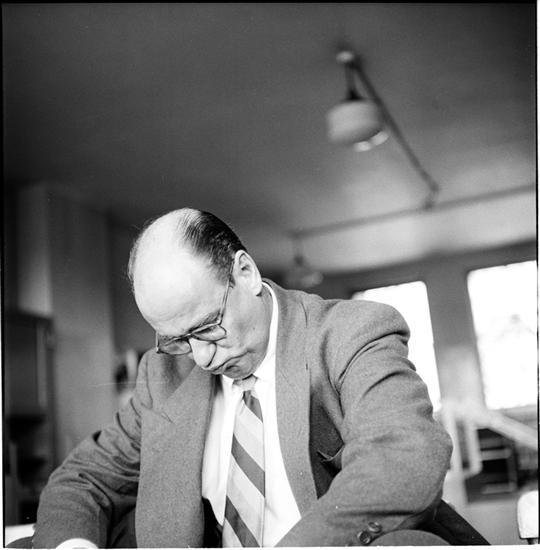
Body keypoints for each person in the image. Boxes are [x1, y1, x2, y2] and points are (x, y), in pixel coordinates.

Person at [30, 208, 486, 548]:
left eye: (208, 327)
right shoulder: (164, 373)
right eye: (178, 339)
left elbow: (403, 456)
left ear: (245, 273)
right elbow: (83, 479)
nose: (202, 358)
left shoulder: (349, 334)